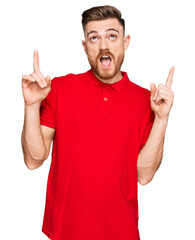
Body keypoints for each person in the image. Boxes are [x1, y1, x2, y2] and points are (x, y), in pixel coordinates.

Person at [21, 5, 174, 240]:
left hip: (121, 233)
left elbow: (143, 175)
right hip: (65, 232)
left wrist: (161, 119)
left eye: (112, 36)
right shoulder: (58, 90)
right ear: (85, 46)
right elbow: (33, 159)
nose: (104, 46)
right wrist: (31, 105)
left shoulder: (146, 101)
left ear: (125, 41)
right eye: (94, 38)